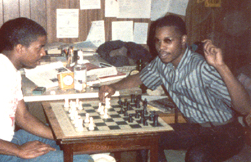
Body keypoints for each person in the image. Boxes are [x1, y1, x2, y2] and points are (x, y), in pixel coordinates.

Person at [99, 15, 248, 162]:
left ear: (183, 40)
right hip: (197, 129)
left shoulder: (202, 67)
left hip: (227, 132)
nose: (161, 47)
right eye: (157, 41)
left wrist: (221, 67)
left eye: (168, 41)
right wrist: (113, 86)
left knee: (197, 156)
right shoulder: (162, 63)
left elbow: (244, 108)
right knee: (147, 140)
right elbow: (139, 78)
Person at [0, 17, 93, 162]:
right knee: (83, 159)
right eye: (39, 47)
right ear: (20, 48)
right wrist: (18, 151)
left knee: (67, 136)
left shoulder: (11, 70)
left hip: (7, 140)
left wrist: (63, 138)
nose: (43, 53)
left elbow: (23, 117)